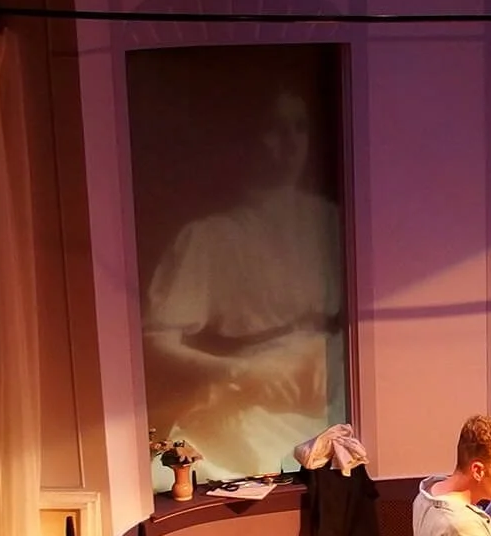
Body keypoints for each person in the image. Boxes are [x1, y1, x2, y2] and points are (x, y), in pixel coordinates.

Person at [140, 86, 347, 484]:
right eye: (274, 129)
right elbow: (158, 341)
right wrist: (245, 370)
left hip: (323, 397)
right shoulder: (210, 237)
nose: (289, 145)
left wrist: (326, 362)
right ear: (248, 141)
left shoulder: (329, 222)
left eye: (299, 129)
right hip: (250, 402)